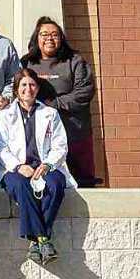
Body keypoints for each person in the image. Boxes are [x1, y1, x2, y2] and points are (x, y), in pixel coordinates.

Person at [0, 67, 77, 264]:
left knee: (56, 185)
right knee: (21, 186)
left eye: (32, 85)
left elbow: (60, 145)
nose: (28, 89)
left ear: (37, 88)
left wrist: (47, 165)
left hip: (44, 167)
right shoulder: (5, 115)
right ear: (16, 90)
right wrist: (17, 166)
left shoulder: (50, 113)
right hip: (15, 169)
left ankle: (36, 243)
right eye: (23, 85)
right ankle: (43, 239)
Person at [21, 17, 97, 186]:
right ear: (37, 38)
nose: (49, 38)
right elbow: (19, 91)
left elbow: (84, 92)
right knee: (47, 182)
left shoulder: (75, 61)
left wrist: (54, 104)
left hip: (75, 132)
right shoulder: (26, 62)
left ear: (61, 38)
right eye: (44, 34)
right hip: (42, 136)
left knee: (83, 182)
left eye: (55, 34)